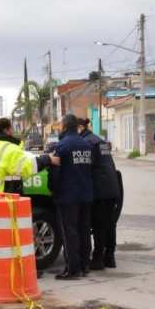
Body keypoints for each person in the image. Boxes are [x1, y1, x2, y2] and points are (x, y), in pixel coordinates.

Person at [0, 118, 58, 211]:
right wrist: (48, 159)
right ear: (6, 130)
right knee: (45, 203)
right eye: (11, 128)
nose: (13, 131)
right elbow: (27, 166)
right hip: (2, 201)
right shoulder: (7, 148)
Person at [48, 114, 94, 280]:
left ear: (65, 127)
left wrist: (52, 190)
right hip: (86, 194)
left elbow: (55, 172)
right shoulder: (86, 145)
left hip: (68, 196)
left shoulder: (62, 146)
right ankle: (84, 265)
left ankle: (72, 269)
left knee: (69, 232)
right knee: (83, 230)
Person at [79, 118, 120, 270]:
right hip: (112, 187)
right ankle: (110, 257)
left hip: (100, 190)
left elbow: (87, 166)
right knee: (109, 224)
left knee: (99, 225)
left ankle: (97, 259)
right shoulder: (99, 140)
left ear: (80, 127)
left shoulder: (88, 142)